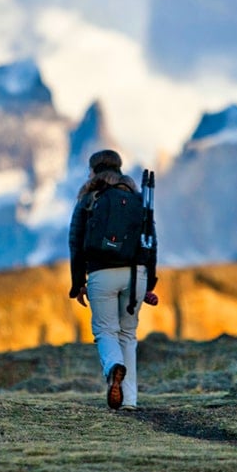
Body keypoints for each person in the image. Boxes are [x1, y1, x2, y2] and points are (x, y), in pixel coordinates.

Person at [68, 149, 158, 410]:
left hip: (101, 273)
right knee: (128, 334)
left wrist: (77, 284)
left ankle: (113, 367)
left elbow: (76, 243)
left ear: (94, 171)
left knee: (105, 331)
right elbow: (151, 242)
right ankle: (129, 400)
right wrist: (149, 282)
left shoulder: (89, 199)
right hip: (136, 274)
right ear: (119, 169)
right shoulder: (138, 199)